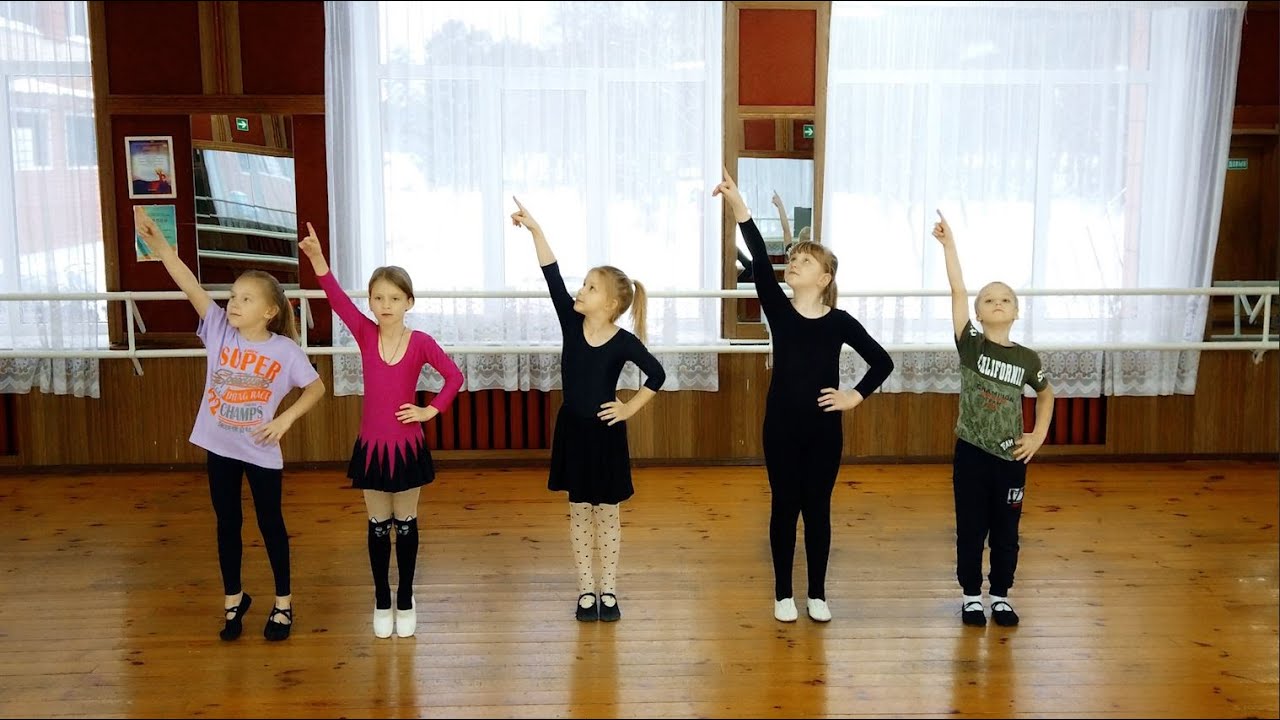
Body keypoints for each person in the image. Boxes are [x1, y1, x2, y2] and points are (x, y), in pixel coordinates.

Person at [135, 207, 326, 642]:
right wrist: (161, 246)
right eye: (233, 295)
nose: (233, 303)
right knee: (227, 524)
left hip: (260, 451)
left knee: (270, 524)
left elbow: (316, 389)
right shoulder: (218, 329)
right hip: (220, 447)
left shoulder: (285, 350)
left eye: (245, 299)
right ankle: (234, 598)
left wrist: (285, 419)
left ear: (270, 311)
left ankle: (283, 603)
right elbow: (188, 282)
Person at [713, 170, 894, 623]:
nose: (794, 263)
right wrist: (739, 205)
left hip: (824, 431)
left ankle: (816, 593)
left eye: (805, 261)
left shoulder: (840, 321)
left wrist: (854, 396)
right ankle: (782, 594)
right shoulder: (778, 309)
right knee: (783, 506)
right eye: (793, 259)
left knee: (817, 510)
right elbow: (758, 256)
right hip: (780, 427)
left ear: (825, 277)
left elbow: (882, 362)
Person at [298, 222, 464, 639]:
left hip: (407, 446)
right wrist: (318, 259)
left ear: (409, 302)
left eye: (394, 298)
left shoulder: (421, 341)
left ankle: (405, 595)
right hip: (372, 447)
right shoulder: (364, 332)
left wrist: (430, 412)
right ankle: (380, 597)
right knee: (377, 525)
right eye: (378, 297)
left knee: (405, 523)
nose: (385, 304)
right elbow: (337, 300)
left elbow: (454, 377)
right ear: (370, 302)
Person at [509, 197, 666, 622]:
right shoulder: (570, 322)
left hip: (606, 436)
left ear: (611, 304)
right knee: (579, 511)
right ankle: (585, 591)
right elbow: (552, 274)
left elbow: (657, 375)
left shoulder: (624, 341)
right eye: (583, 284)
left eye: (591, 287)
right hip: (574, 434)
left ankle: (608, 590)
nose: (580, 290)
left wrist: (628, 409)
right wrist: (537, 230)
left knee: (607, 514)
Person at [932, 210, 1054, 627]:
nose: (997, 302)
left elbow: (1046, 394)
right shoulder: (971, 346)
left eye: (1005, 299)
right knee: (971, 529)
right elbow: (957, 290)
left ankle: (1000, 595)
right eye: (988, 299)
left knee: (1006, 531)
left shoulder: (1027, 359)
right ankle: (971, 596)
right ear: (979, 314)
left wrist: (1037, 435)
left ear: (1016, 311)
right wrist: (950, 245)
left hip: (1011, 458)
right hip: (971, 455)